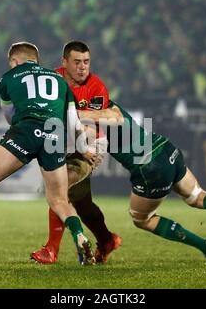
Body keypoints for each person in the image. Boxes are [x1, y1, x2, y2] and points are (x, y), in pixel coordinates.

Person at [77, 100, 206, 264]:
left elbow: (93, 139)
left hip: (148, 166)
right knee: (197, 196)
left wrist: (74, 119)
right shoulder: (105, 102)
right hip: (166, 148)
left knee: (142, 219)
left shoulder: (89, 117)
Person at [0, 41, 96, 265]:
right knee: (59, 199)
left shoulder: (8, 78)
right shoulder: (60, 80)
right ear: (36, 60)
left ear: (14, 61)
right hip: (55, 135)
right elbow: (73, 122)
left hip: (26, 131)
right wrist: (83, 149)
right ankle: (80, 236)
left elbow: (10, 117)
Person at [30, 41, 123, 264]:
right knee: (82, 203)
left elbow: (93, 123)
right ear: (64, 62)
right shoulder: (52, 80)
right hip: (63, 145)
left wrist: (80, 137)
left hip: (88, 147)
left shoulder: (96, 87)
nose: (83, 67)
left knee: (59, 190)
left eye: (86, 62)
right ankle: (107, 239)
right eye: (77, 62)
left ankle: (51, 250)